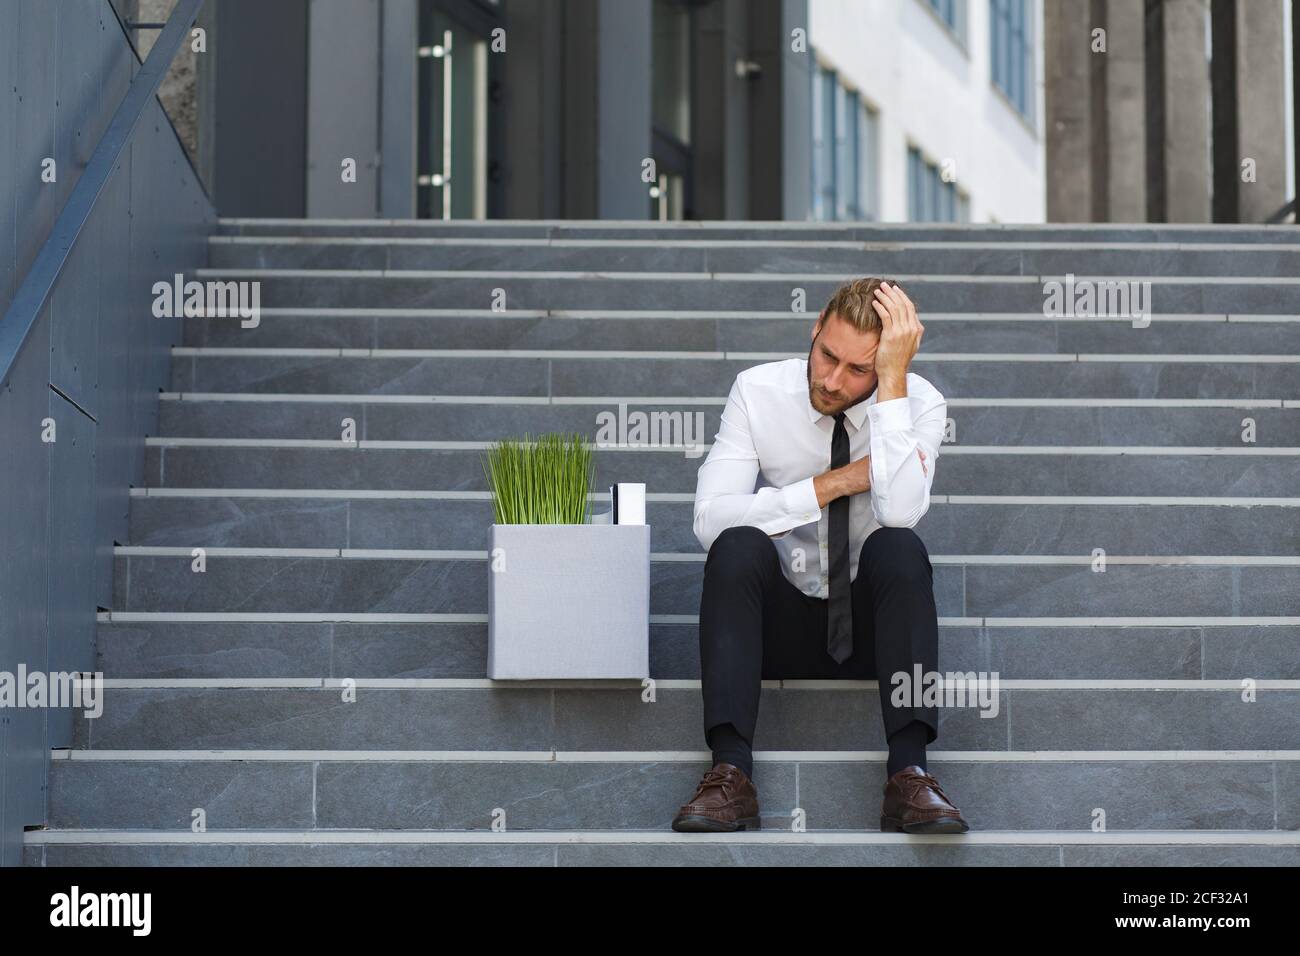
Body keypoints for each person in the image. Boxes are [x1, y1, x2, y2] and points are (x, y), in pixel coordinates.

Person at [671, 277, 970, 834]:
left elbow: (901, 510)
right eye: (826, 355)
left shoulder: (919, 403)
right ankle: (729, 774)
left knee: (899, 546)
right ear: (814, 331)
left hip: (870, 634)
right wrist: (827, 486)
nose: (832, 380)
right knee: (736, 545)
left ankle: (909, 774)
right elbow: (708, 520)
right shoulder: (758, 392)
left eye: (858, 369)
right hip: (775, 630)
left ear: (883, 365)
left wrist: (892, 388)